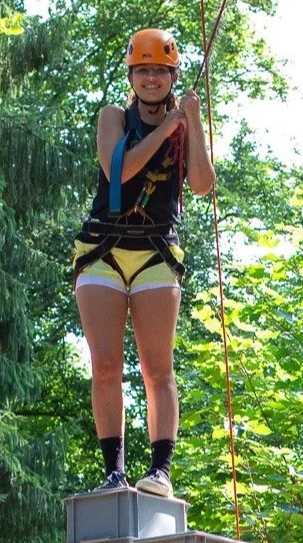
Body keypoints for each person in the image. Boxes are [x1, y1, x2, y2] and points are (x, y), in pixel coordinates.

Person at [72, 27, 214, 498]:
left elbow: (201, 184)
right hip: (103, 248)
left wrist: (190, 123)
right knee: (107, 364)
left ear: (172, 75)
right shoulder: (113, 116)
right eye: (144, 71)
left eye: (160, 71)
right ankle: (114, 470)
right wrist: (166, 130)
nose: (152, 79)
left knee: (158, 368)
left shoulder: (183, 122)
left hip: (156, 249)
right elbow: (119, 170)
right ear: (132, 76)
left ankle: (161, 470)